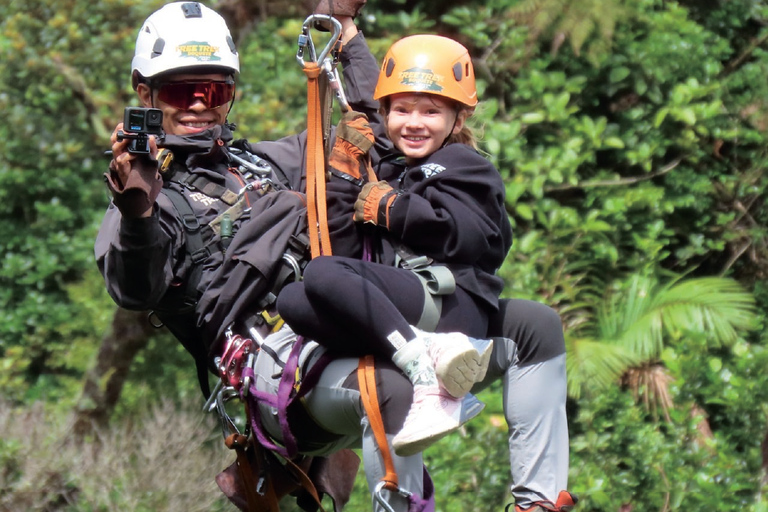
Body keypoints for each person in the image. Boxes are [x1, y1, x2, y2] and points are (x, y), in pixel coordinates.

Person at [94, 1, 574, 510]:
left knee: (533, 326)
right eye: (178, 91)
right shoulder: (148, 201)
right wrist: (138, 215)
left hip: (363, 317)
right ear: (144, 93)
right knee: (391, 389)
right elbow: (136, 288)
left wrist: (345, 35)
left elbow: (386, 132)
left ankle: (537, 501)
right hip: (283, 366)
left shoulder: (269, 162)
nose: (198, 105)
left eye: (213, 90)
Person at [275, 34, 512, 458]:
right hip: (409, 311)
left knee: (322, 273)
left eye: (431, 112)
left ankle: (424, 374)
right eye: (401, 110)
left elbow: (468, 237)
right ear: (386, 115)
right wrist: (346, 175)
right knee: (294, 299)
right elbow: (344, 253)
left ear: (457, 121)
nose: (414, 122)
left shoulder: (465, 166)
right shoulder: (392, 170)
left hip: (452, 303)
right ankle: (416, 350)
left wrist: (392, 209)